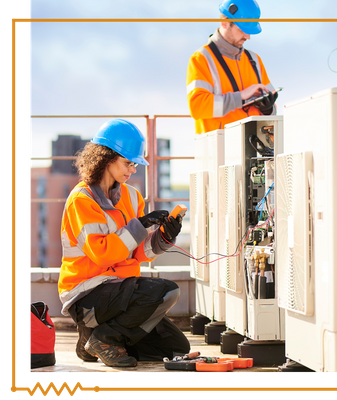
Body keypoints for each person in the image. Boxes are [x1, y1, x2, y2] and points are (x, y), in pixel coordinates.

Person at [58, 118, 190, 367]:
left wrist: (164, 237)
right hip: (86, 293)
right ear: (106, 158)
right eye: (128, 162)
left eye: (135, 164)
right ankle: (104, 338)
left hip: (120, 290)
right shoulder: (82, 200)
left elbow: (139, 253)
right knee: (167, 290)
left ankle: (93, 339)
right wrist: (139, 225)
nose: (133, 169)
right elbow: (102, 254)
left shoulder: (132, 195)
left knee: (175, 348)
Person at [186, 0, 278, 134]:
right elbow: (197, 108)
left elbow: (274, 110)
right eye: (242, 29)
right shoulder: (201, 58)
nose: (248, 36)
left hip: (254, 149)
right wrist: (240, 97)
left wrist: (268, 109)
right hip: (219, 150)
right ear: (224, 22)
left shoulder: (255, 60)